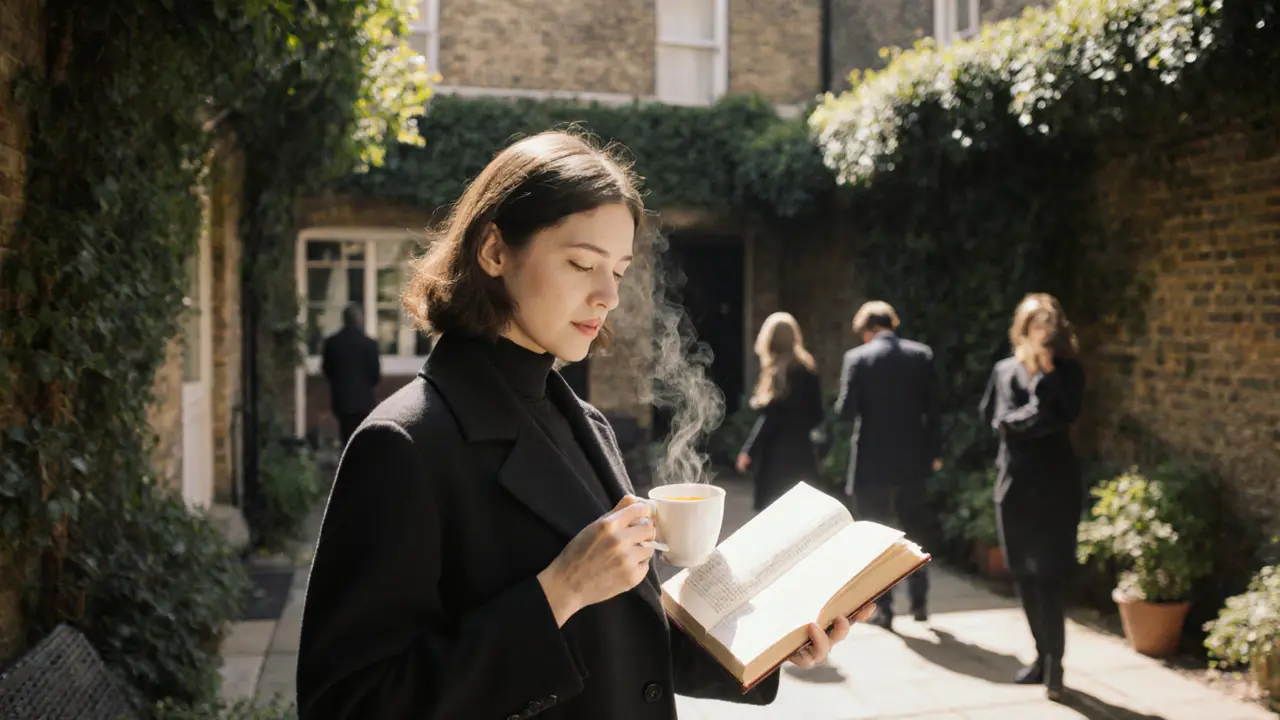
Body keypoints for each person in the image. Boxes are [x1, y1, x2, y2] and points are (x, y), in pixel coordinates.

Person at [296, 131, 865, 720]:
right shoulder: (403, 444)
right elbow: (347, 704)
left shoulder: (587, 423)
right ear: (493, 252)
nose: (608, 296)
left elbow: (626, 644)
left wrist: (774, 638)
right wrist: (557, 592)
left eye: (618, 271)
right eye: (582, 264)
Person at [979, 293, 1085, 701]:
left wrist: (1045, 372)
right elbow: (995, 417)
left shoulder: (1067, 373)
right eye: (1035, 324)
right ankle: (1041, 656)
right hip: (1015, 486)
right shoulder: (1004, 370)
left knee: (1049, 576)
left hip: (1055, 485)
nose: (1042, 331)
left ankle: (1056, 665)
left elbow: (1055, 416)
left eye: (1049, 324)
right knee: (1023, 573)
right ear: (1022, 328)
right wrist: (1016, 423)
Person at [834, 301, 942, 629]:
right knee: (915, 528)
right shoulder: (921, 356)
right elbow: (934, 410)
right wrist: (934, 452)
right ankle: (921, 602)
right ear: (893, 324)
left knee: (876, 538)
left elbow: (846, 412)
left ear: (866, 331)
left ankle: (886, 609)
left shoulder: (858, 359)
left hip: (872, 462)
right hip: (912, 459)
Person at [735, 312, 824, 510]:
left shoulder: (777, 374)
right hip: (803, 454)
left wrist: (748, 451)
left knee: (774, 516)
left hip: (777, 459)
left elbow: (770, 420)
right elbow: (818, 414)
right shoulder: (808, 369)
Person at [320, 304, 381, 447]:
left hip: (341, 398)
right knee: (362, 438)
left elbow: (327, 369)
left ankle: (347, 465)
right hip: (364, 399)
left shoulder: (332, 343)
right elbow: (375, 374)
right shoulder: (369, 344)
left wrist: (338, 384)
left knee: (345, 436)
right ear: (359, 320)